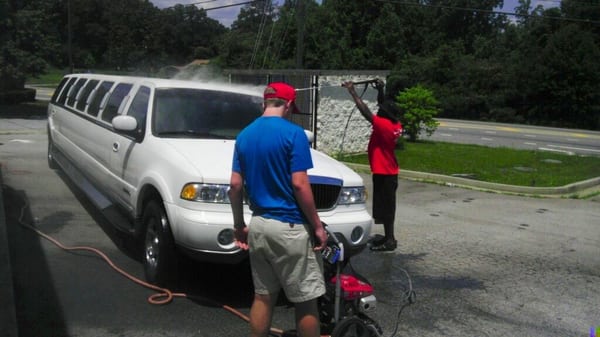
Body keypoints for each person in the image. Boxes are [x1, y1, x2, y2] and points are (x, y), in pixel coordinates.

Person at [229, 82, 328, 337]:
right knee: (305, 301)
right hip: (290, 228)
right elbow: (299, 183)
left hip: (259, 225)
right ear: (289, 106)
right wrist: (317, 226)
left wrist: (239, 226)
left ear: (264, 104)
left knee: (263, 296)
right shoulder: (294, 134)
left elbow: (235, 185)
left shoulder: (244, 135)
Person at [342, 79, 403, 252]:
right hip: (387, 170)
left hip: (385, 172)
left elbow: (365, 112)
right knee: (384, 207)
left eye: (382, 111)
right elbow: (383, 105)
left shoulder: (384, 126)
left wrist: (352, 91)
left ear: (385, 115)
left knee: (387, 208)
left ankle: (390, 240)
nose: (379, 110)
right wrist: (380, 89)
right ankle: (387, 236)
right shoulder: (395, 123)